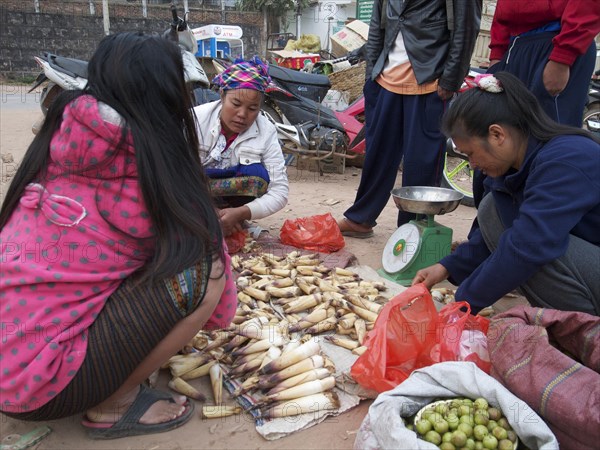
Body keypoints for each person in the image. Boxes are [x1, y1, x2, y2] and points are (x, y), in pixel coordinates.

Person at [0, 32, 237, 438]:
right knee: (207, 273)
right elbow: (219, 311)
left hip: (10, 359)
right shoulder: (149, 173)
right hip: (38, 388)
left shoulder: (58, 143)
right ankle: (113, 405)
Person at [413, 72, 600, 316]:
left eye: (470, 153)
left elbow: (527, 245)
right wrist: (447, 267)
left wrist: (463, 304)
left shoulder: (567, 159)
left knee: (532, 253)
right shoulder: (515, 166)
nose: (471, 164)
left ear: (497, 134)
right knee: (493, 208)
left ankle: (584, 332)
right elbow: (497, 233)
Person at [337, 0, 482, 238]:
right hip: (385, 81)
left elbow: (466, 30)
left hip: (430, 82)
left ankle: (412, 228)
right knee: (377, 155)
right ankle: (361, 217)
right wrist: (371, 75)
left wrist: (450, 80)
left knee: (422, 163)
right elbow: (377, 27)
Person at [472, 0, 600, 207]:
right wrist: (498, 53)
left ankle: (537, 230)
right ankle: (488, 231)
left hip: (556, 45)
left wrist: (563, 56)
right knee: (498, 141)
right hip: (516, 48)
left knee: (545, 147)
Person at [193, 57, 288, 237]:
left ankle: (232, 218)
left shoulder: (266, 131)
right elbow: (174, 176)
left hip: (234, 203)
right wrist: (207, 209)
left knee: (258, 176)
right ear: (222, 96)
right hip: (194, 195)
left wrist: (241, 212)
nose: (242, 114)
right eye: (235, 104)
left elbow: (280, 191)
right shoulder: (195, 119)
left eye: (252, 108)